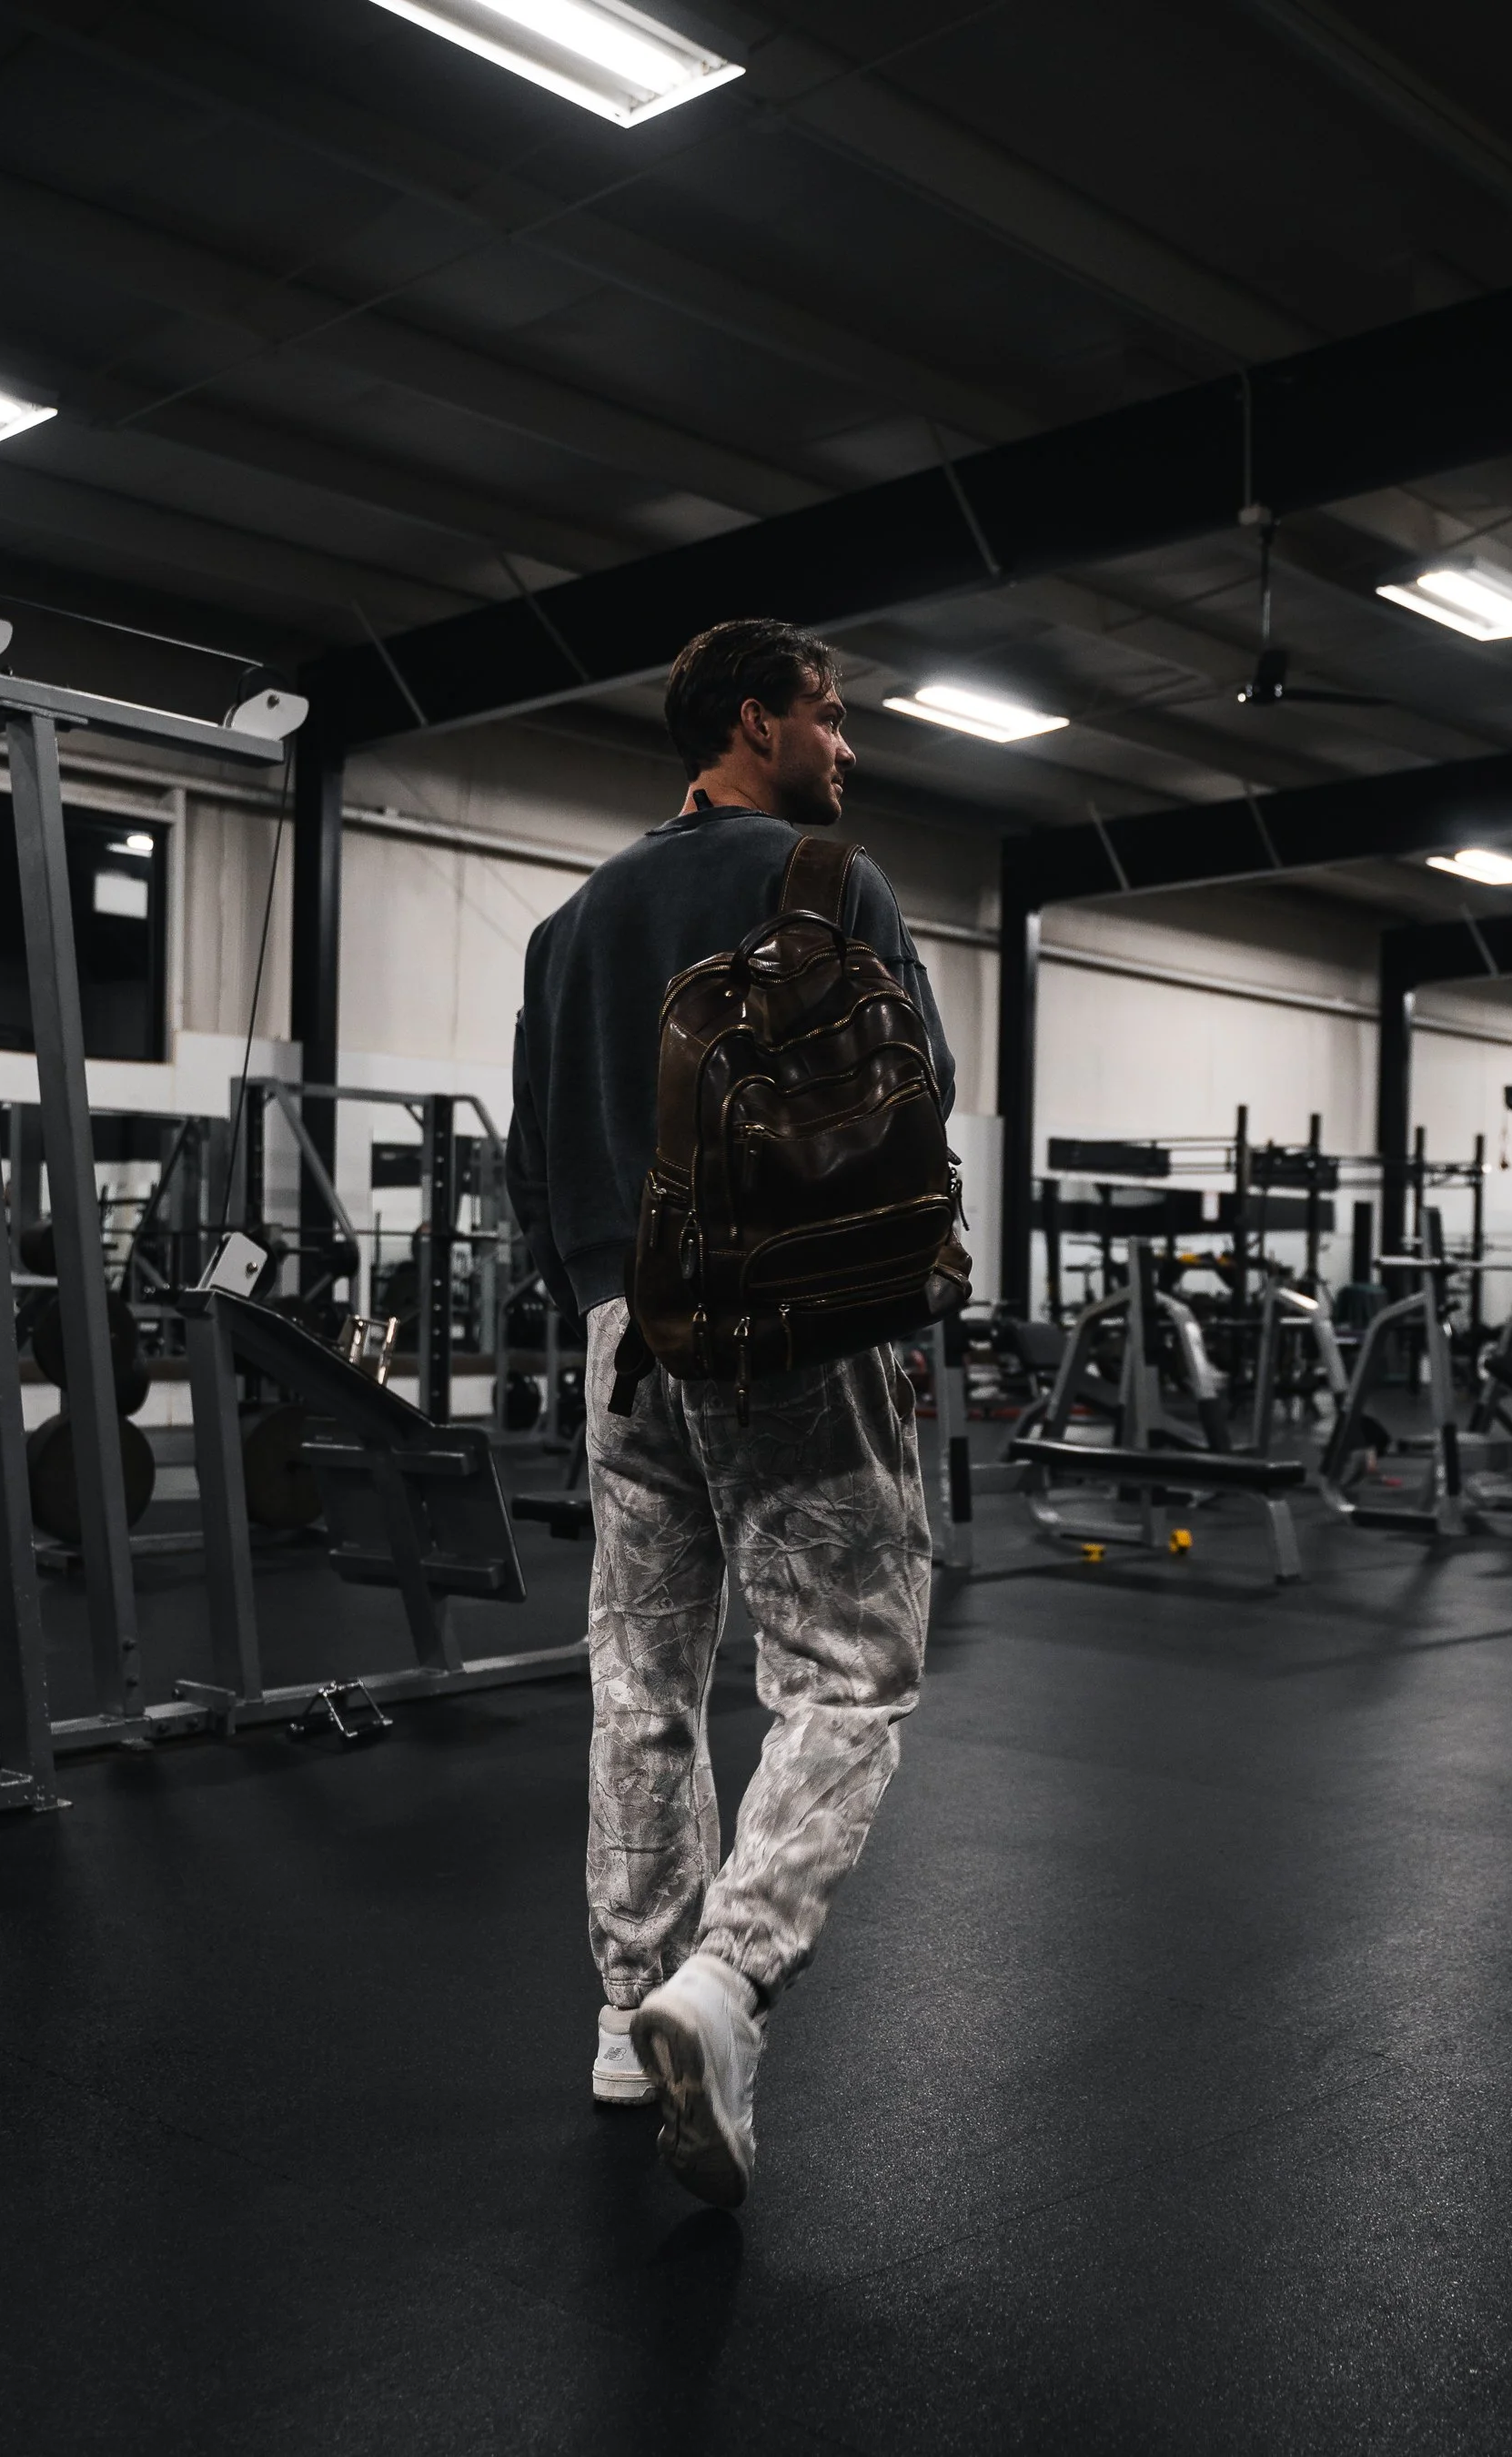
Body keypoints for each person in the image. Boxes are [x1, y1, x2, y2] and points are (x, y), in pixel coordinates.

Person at [506, 619, 955, 2209]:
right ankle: (731, 1973)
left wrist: (608, 1300)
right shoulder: (831, 888)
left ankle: (630, 2017)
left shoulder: (570, 929)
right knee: (853, 1667)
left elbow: (531, 1162)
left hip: (625, 1328)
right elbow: (923, 1113)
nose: (849, 749)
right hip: (797, 1319)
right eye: (830, 720)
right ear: (753, 723)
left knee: (643, 1676)